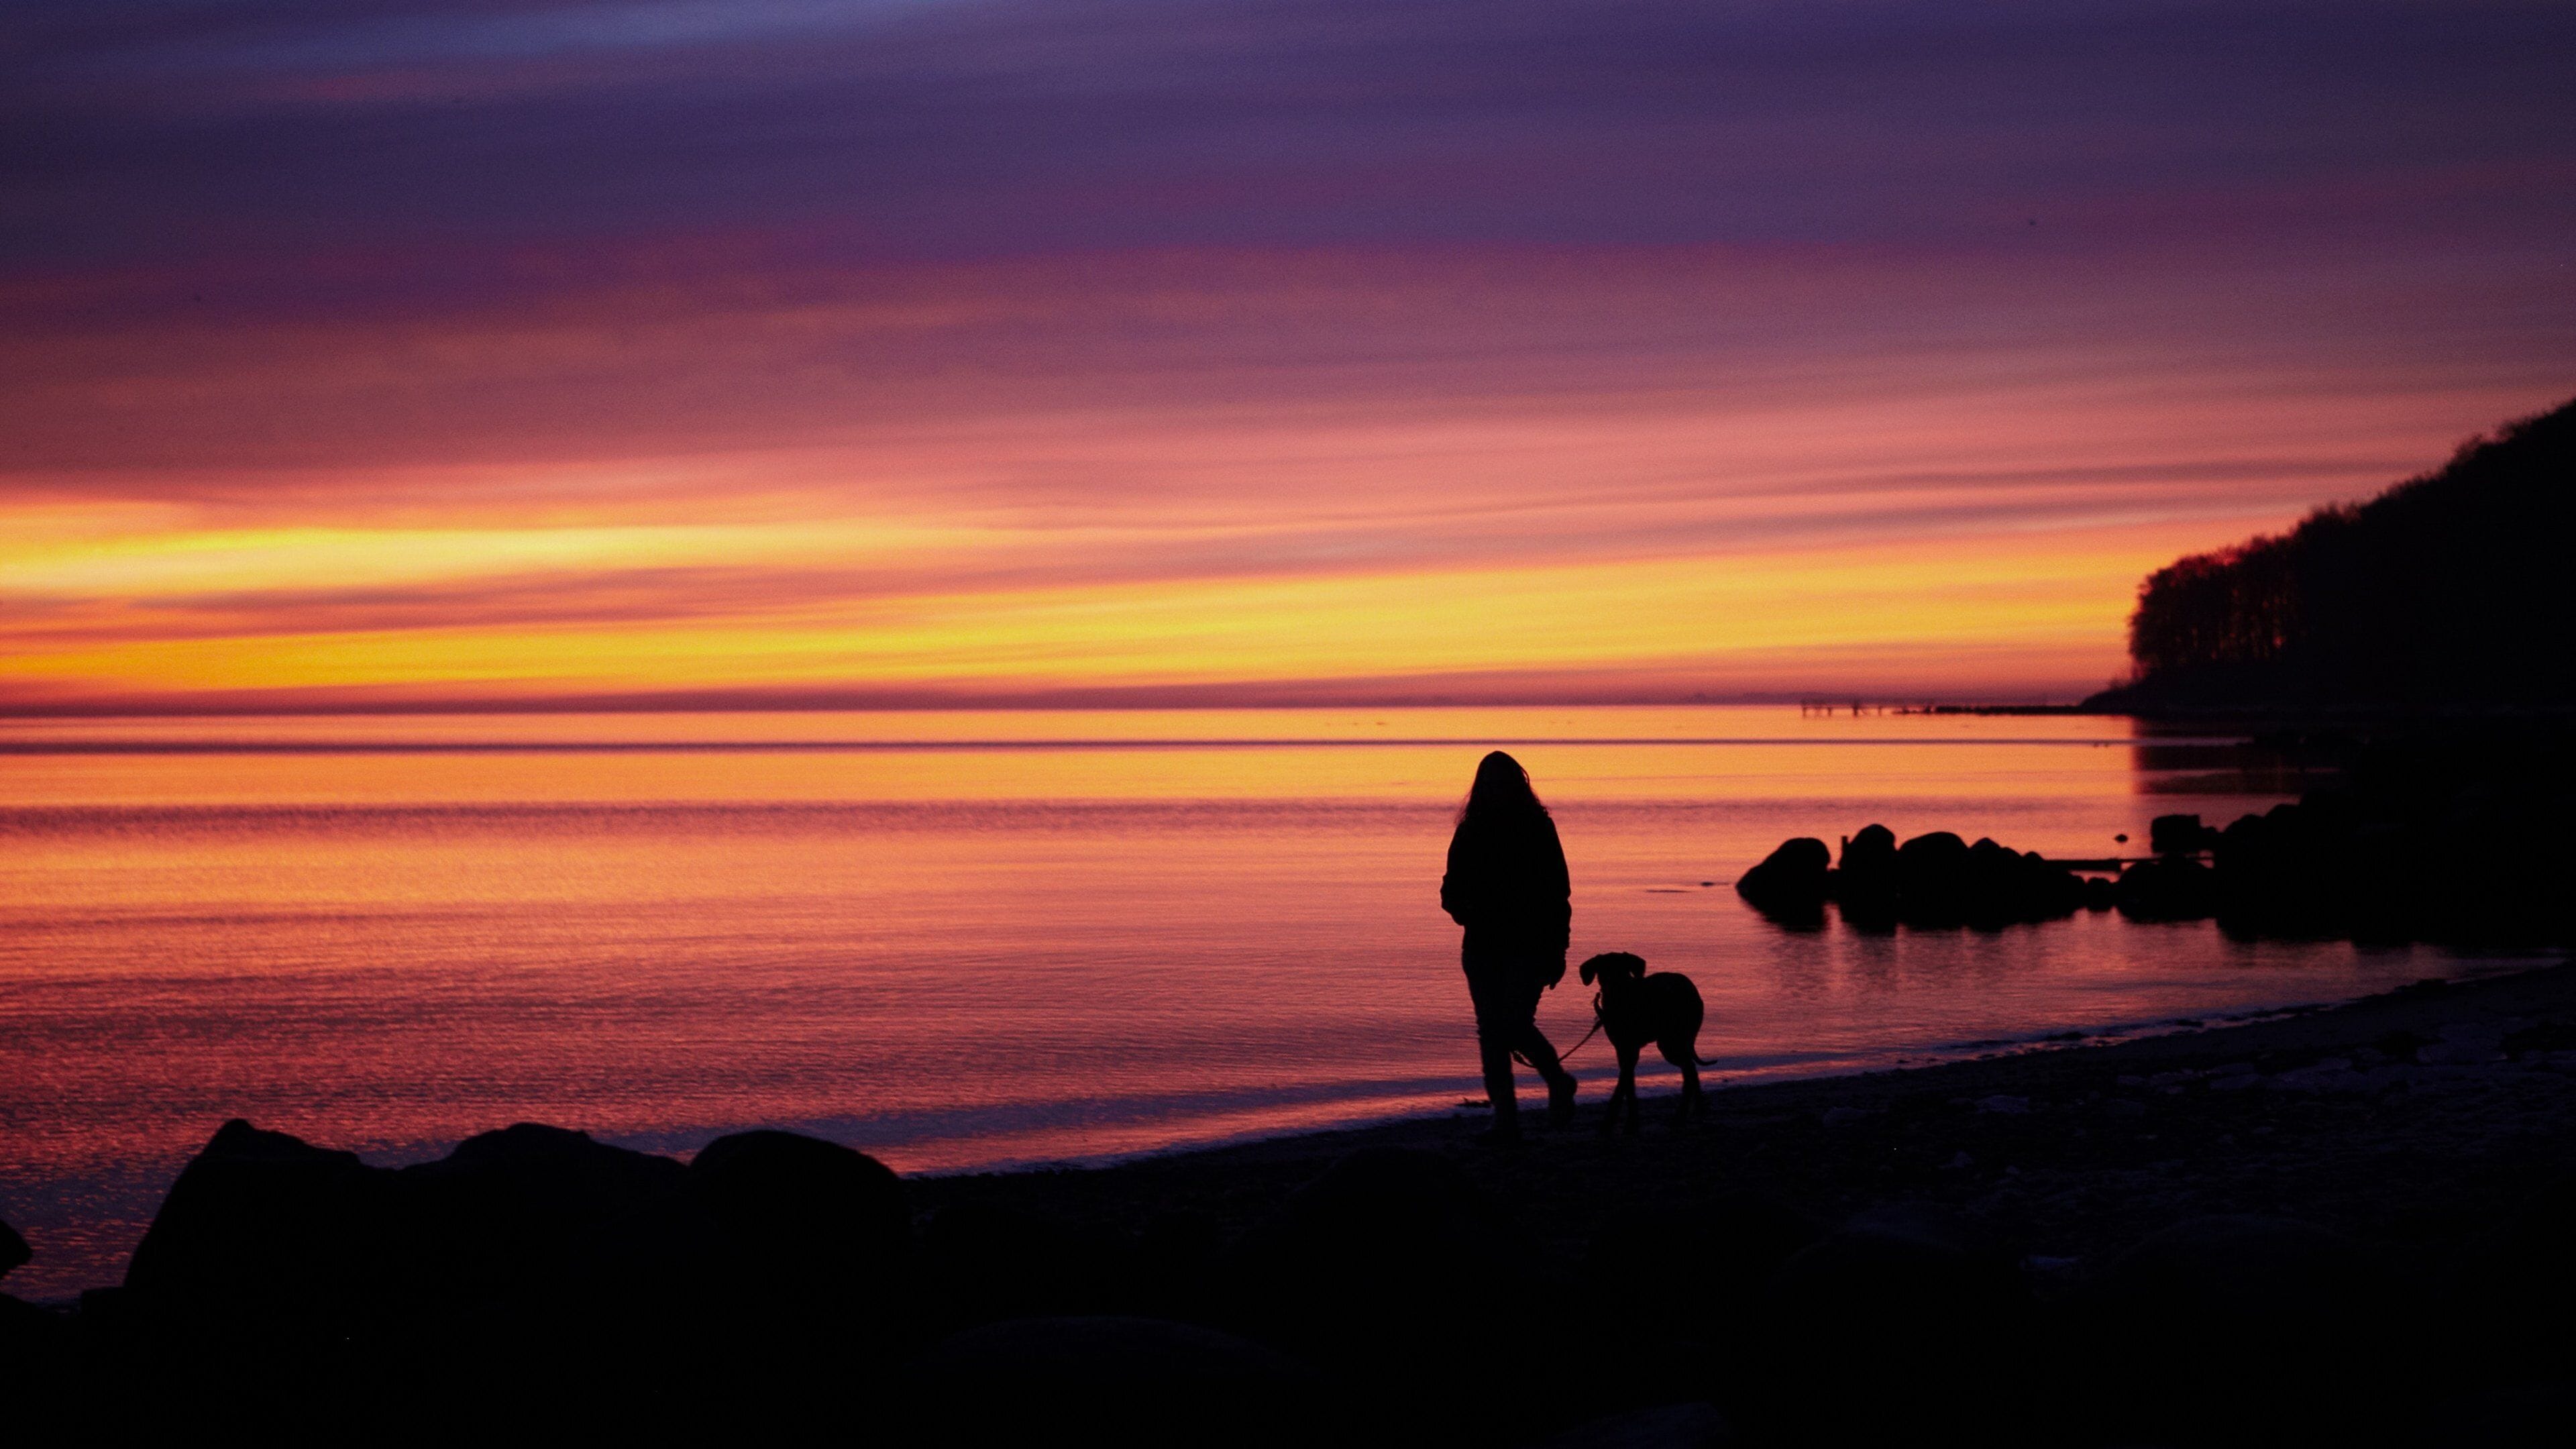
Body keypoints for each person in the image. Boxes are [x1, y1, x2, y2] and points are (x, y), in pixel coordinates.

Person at [1440, 750, 1578, 1138]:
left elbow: (1558, 893)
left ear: (1518, 786)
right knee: (1492, 1030)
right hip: (1482, 946)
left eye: (1504, 784)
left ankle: (1557, 1082)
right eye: (1490, 784)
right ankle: (1505, 1115)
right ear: (1481, 788)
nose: (1497, 791)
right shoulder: (1470, 831)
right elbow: (1450, 889)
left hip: (1531, 945)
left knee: (1515, 1025)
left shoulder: (1538, 828)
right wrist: (1466, 911)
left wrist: (1559, 950)